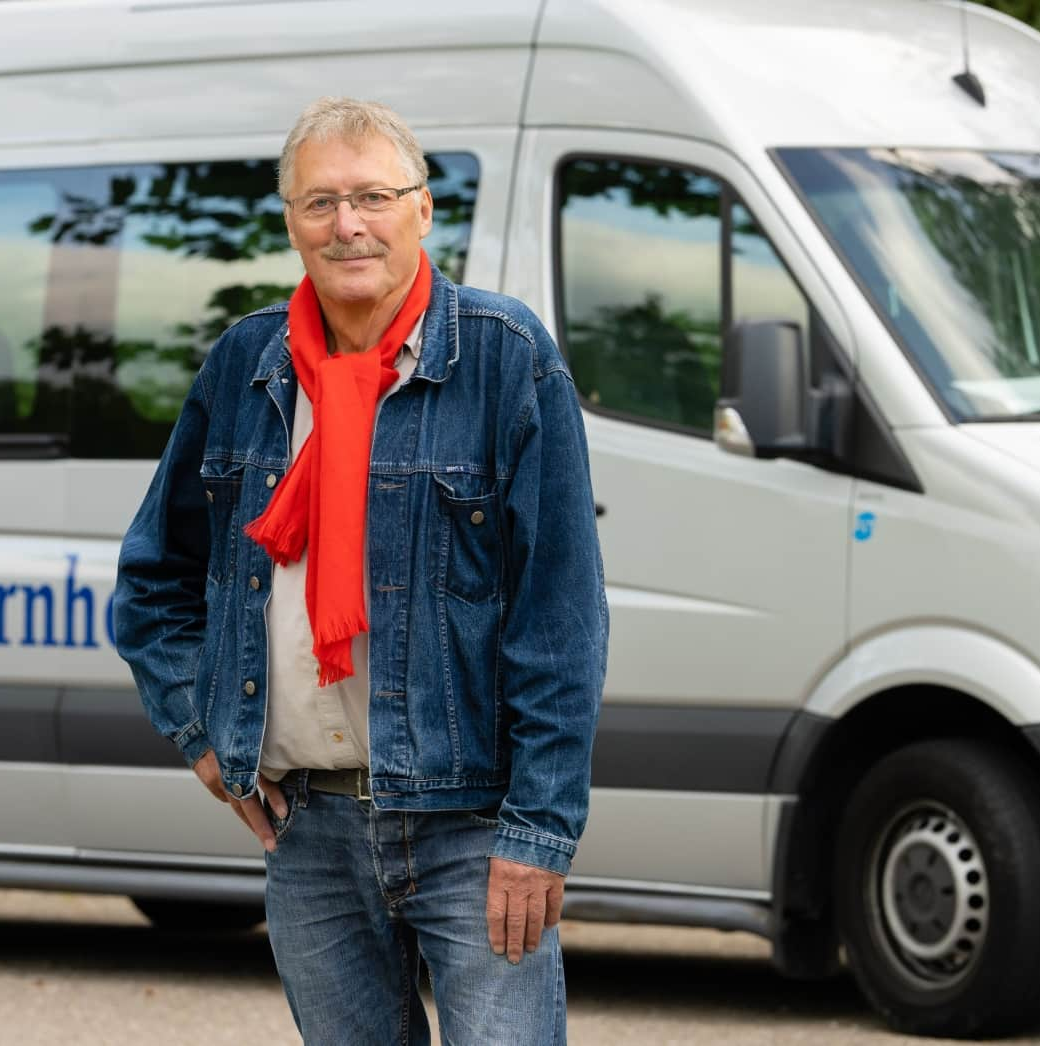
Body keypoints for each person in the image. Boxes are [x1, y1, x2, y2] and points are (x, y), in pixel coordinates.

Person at [112, 96, 607, 1045]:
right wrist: (207, 736)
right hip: (311, 832)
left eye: (373, 196)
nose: (348, 225)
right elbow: (155, 581)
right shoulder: (246, 366)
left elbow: (561, 617)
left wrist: (540, 833)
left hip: (472, 829)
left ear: (424, 210)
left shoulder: (506, 362)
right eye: (320, 203)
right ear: (290, 223)